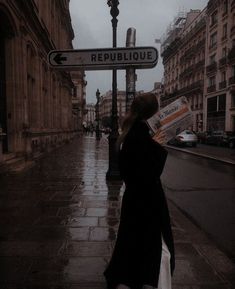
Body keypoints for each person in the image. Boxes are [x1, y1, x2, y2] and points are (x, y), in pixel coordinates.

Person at [104, 92, 175, 289]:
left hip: (133, 198)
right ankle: (144, 279)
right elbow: (150, 173)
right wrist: (160, 146)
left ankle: (126, 277)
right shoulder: (143, 135)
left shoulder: (130, 131)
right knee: (152, 244)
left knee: (130, 240)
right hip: (148, 200)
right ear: (153, 112)